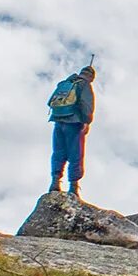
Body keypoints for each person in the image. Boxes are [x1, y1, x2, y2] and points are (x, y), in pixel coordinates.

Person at [48, 65, 96, 198]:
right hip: (74, 122)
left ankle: (55, 181)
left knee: (58, 152)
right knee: (76, 154)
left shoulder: (66, 82)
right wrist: (86, 121)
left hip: (58, 120)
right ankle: (73, 187)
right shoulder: (84, 85)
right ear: (91, 77)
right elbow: (86, 105)